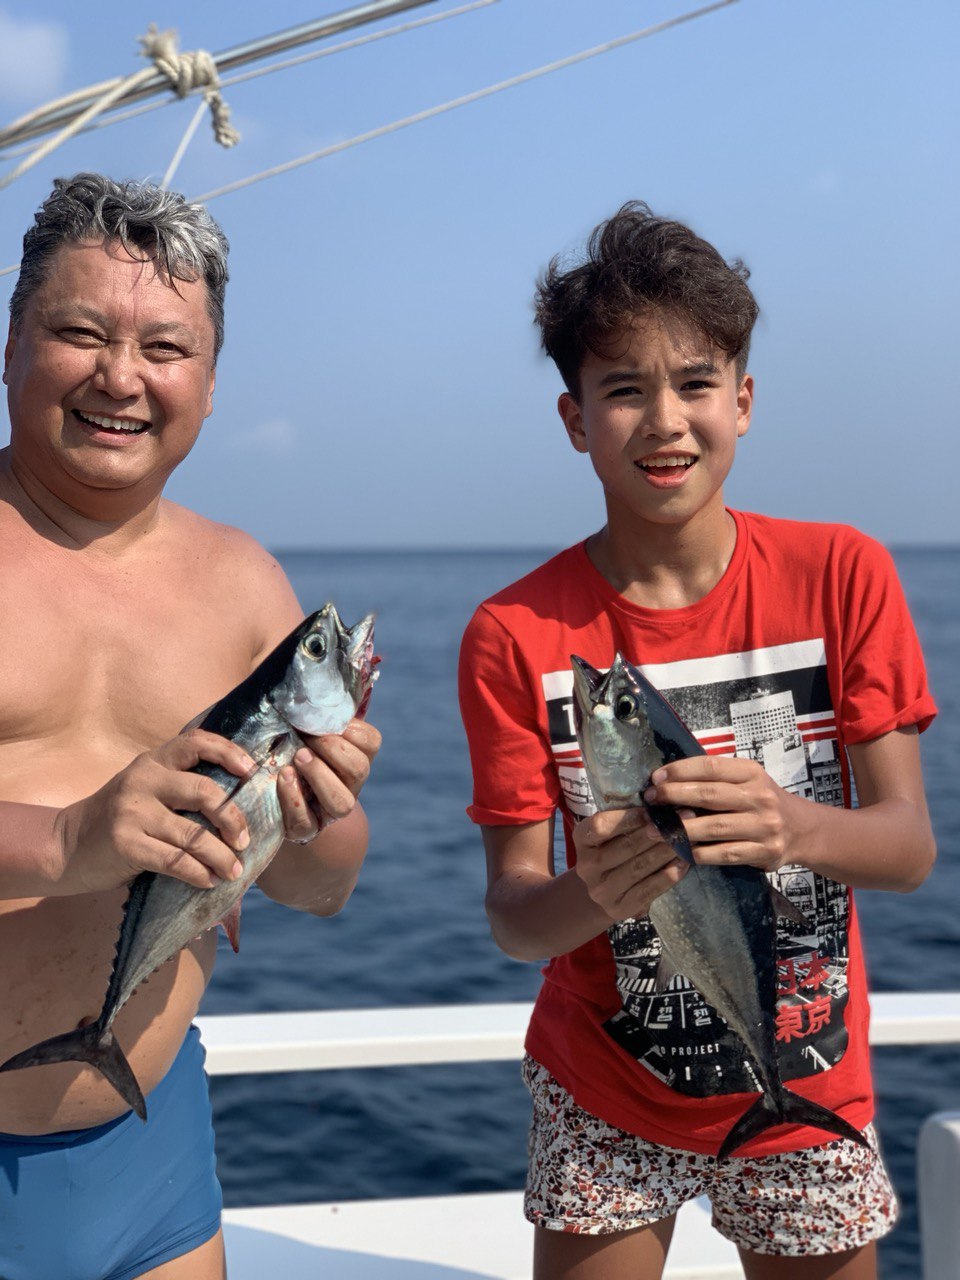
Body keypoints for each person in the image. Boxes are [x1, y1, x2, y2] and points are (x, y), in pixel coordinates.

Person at [458, 202, 937, 1280]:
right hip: (602, 1090)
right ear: (576, 418)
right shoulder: (512, 633)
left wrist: (791, 824)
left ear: (744, 400)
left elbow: (908, 848)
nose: (665, 421)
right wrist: (596, 890)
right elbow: (515, 917)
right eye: (625, 389)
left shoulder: (844, 575)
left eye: (695, 382)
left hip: (808, 1078)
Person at [0, 173, 381, 1280]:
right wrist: (69, 840)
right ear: (11, 345)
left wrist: (309, 821)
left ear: (209, 387)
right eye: (81, 333)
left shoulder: (244, 580)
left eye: (165, 348)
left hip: (149, 1153)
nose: (121, 376)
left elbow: (324, 886)